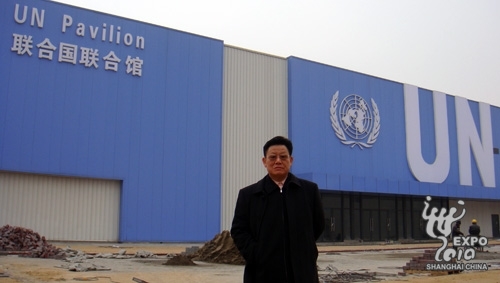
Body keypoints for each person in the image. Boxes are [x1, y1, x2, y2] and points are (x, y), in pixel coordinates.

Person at [230, 136, 325, 283]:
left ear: (291, 160)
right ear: (264, 161)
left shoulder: (309, 191)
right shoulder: (249, 195)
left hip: (302, 272)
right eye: (273, 157)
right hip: (262, 273)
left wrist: (304, 249)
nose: (278, 161)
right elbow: (238, 230)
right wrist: (256, 254)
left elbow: (318, 225)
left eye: (283, 157)